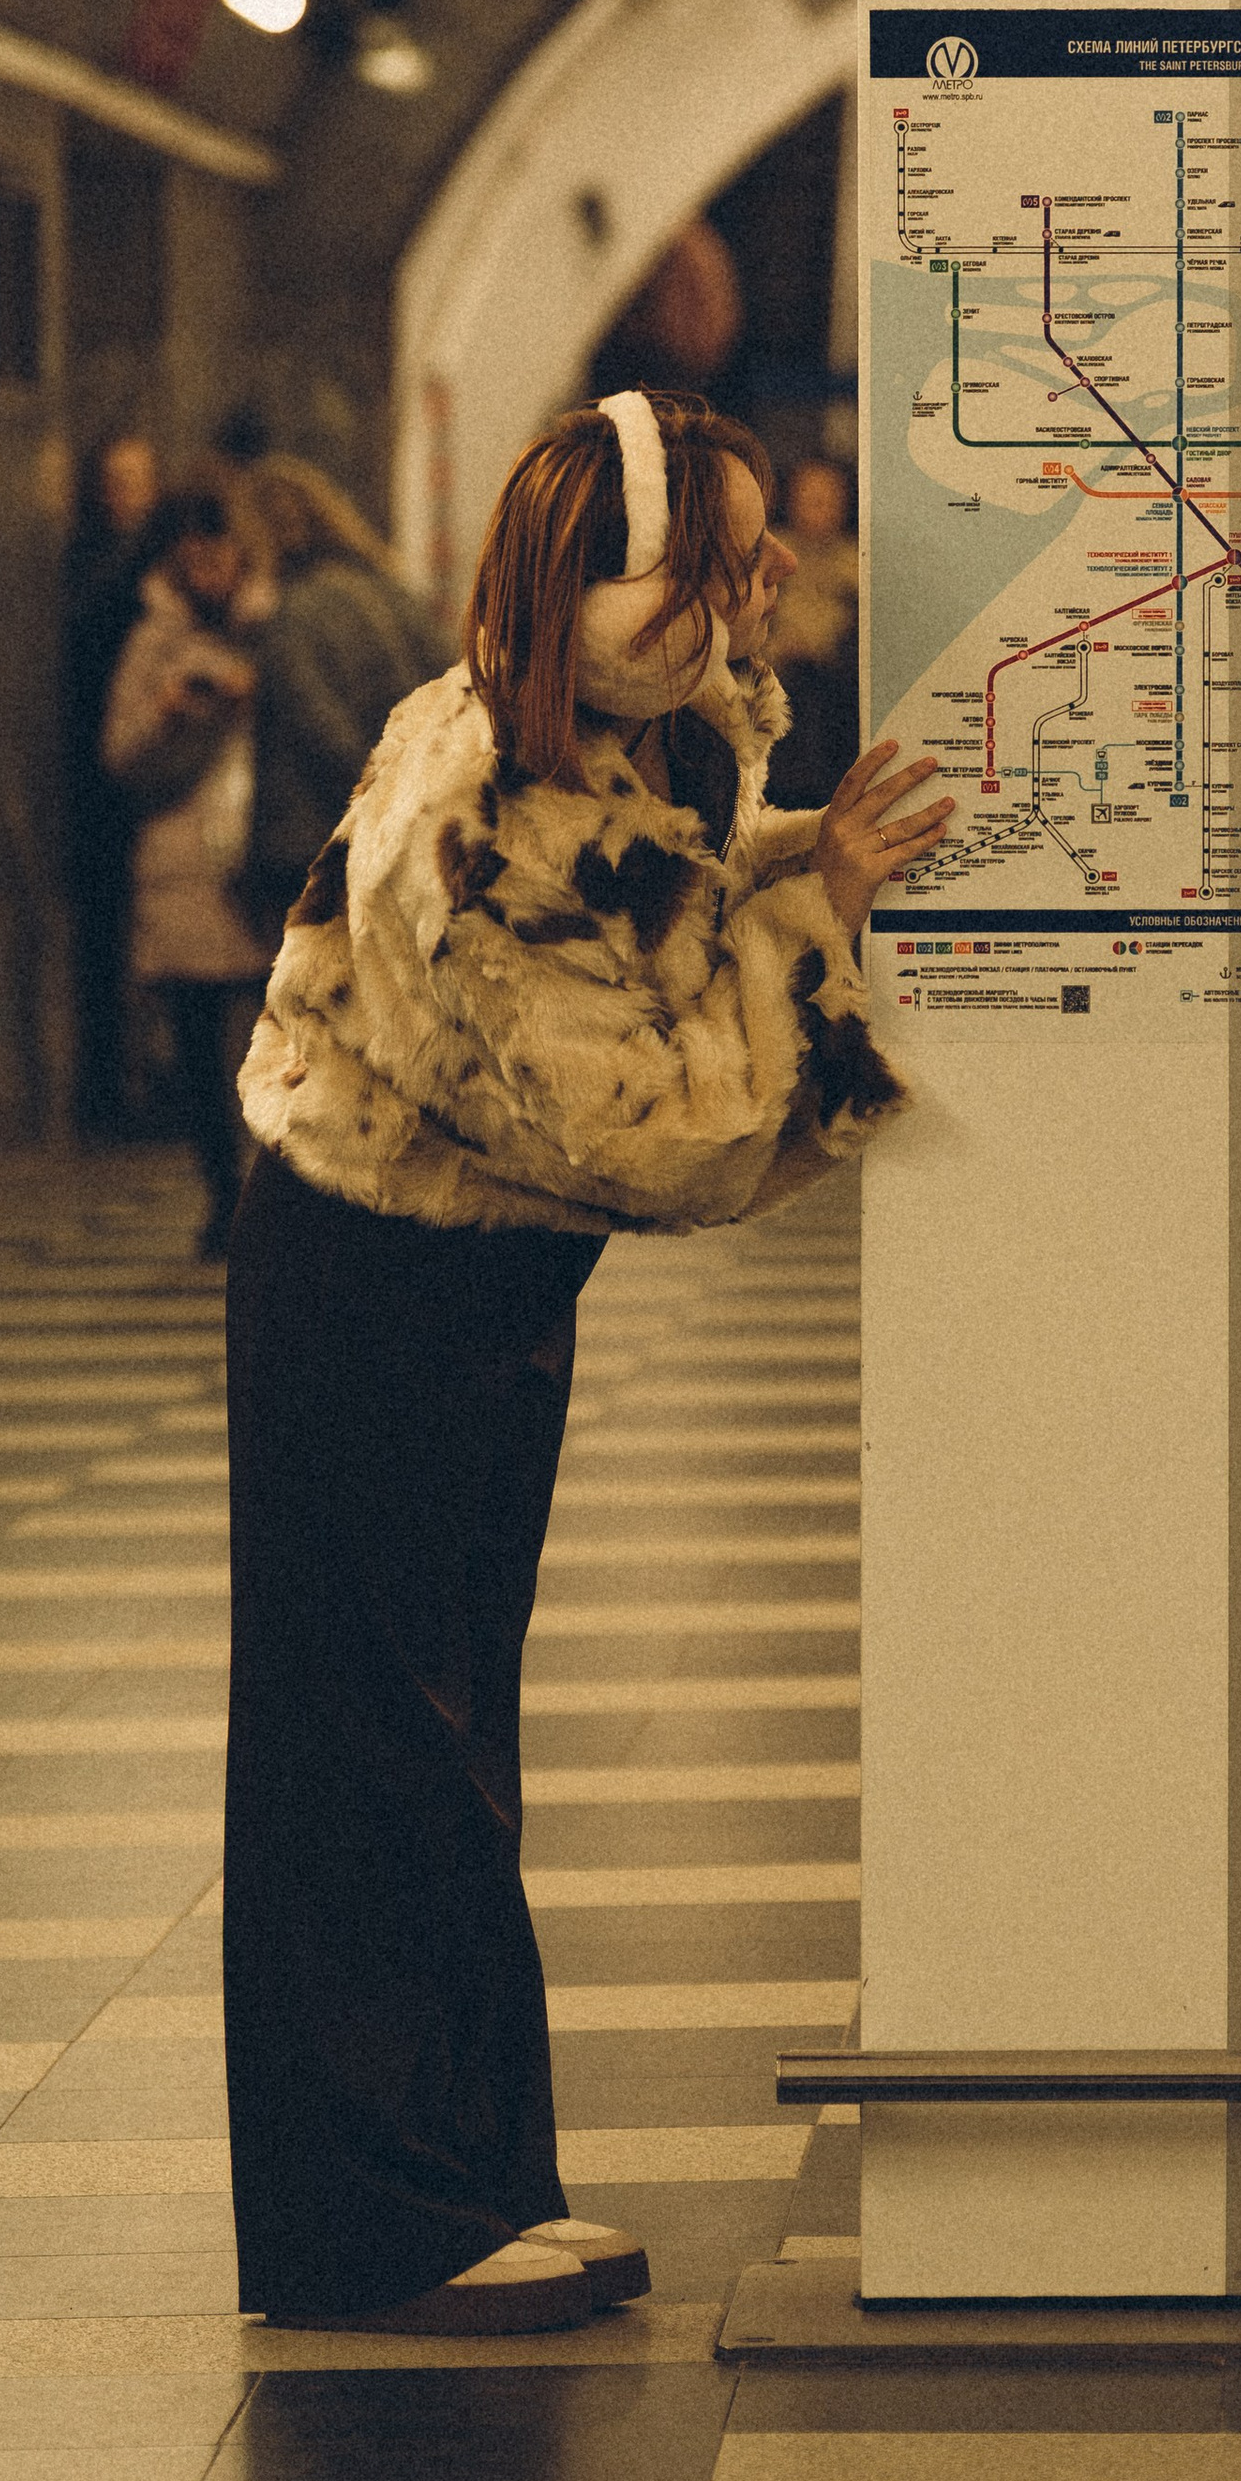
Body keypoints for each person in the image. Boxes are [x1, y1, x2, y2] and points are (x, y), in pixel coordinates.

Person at [226, 387, 951, 2336]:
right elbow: (679, 1132)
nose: (726, 615)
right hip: (376, 1293)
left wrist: (779, 799)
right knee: (372, 1745)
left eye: (740, 571)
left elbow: (667, 881)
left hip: (455, 1290)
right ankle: (373, 2222)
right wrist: (830, 919)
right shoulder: (475, 819)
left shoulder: (576, 736)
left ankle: (457, 2178)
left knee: (440, 1738)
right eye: (690, 574)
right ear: (570, 584)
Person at [100, 482, 271, 1256]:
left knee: (271, 1044)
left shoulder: (270, 633)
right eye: (194, 557)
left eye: (219, 554)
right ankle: (221, 1196)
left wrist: (250, 694)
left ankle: (271, 1198)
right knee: (200, 1052)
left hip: (255, 864)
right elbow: (118, 758)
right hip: (179, 868)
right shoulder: (150, 643)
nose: (207, 571)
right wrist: (168, 709)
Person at [235, 455, 442, 941]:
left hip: (319, 848)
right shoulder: (394, 595)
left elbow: (321, 732)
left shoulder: (294, 615)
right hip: (406, 839)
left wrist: (376, 801)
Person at [62, 433, 160, 1137]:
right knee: (106, 942)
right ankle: (108, 1092)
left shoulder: (158, 564)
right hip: (98, 788)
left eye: (139, 477)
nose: (128, 490)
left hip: (153, 786)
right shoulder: (96, 564)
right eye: (117, 477)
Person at [763, 452, 861, 812]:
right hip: (776, 691)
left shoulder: (859, 562)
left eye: (829, 498)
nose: (820, 508)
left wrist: (824, 652)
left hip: (835, 704)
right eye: (810, 498)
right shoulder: (771, 553)